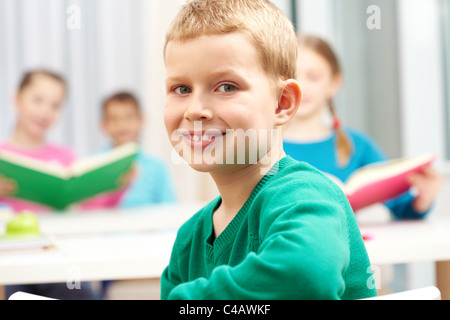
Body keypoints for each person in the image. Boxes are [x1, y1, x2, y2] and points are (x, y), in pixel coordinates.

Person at [160, 0, 377, 300]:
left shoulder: (304, 194)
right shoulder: (189, 240)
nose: (196, 110)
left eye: (226, 87)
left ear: (282, 103)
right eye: (181, 89)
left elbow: (307, 276)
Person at [283, 34, 443, 219]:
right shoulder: (264, 149)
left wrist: (424, 198)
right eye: (292, 77)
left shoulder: (358, 146)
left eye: (313, 77)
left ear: (334, 83)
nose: (301, 86)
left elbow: (403, 210)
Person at [0, 69, 99, 299]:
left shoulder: (66, 158)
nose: (45, 111)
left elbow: (89, 207)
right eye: (38, 100)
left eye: (55, 105)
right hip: (17, 261)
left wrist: (116, 184)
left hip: (61, 258)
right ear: (17, 99)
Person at [99, 92, 177, 208]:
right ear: (103, 125)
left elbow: (170, 210)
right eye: (113, 119)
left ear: (141, 120)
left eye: (129, 117)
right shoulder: (96, 165)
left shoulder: (157, 167)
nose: (122, 125)